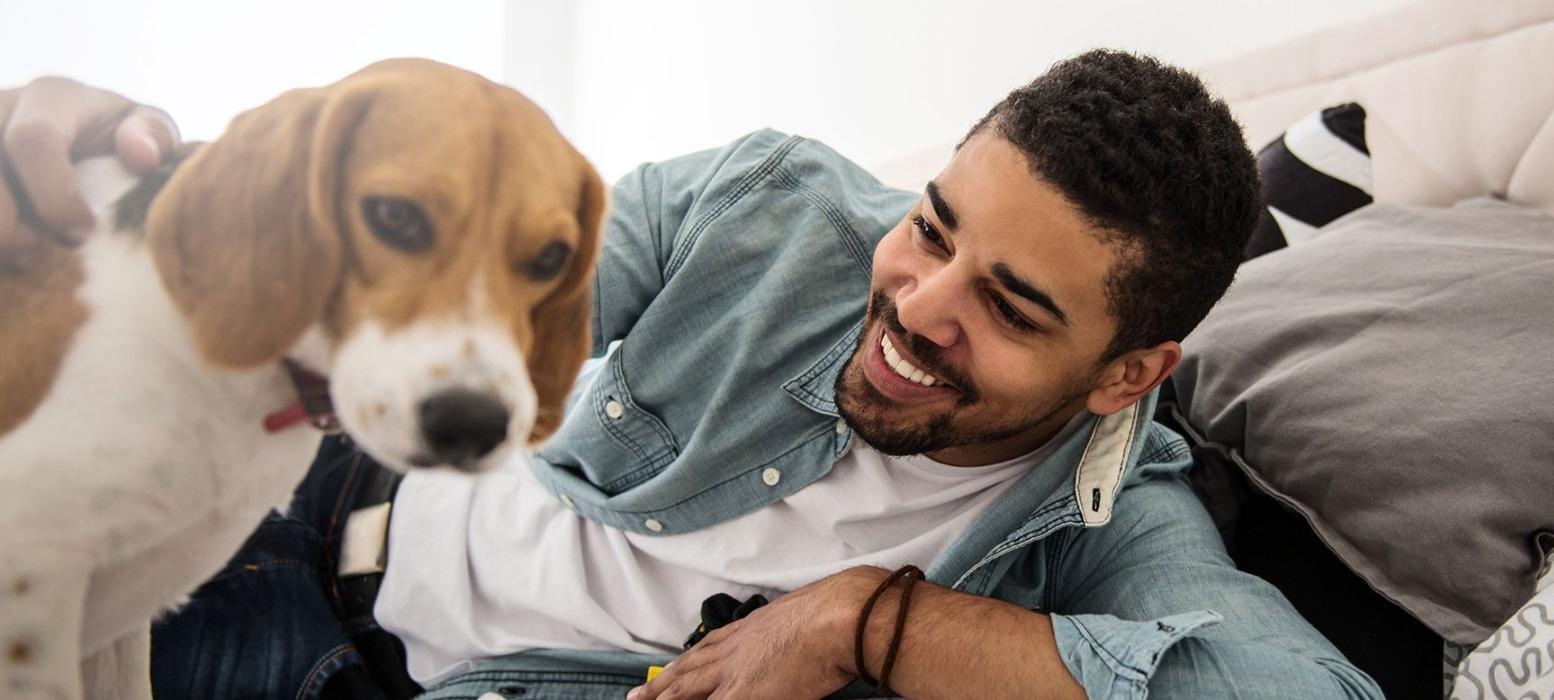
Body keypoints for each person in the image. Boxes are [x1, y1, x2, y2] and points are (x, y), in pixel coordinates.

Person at [0, 50, 1382, 699]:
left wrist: (866, 621)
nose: (914, 305)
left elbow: (1285, 695)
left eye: (1010, 308)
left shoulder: (1109, 518)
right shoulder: (769, 208)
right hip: (304, 486)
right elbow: (446, 259)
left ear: (1124, 372)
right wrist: (125, 170)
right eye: (934, 227)